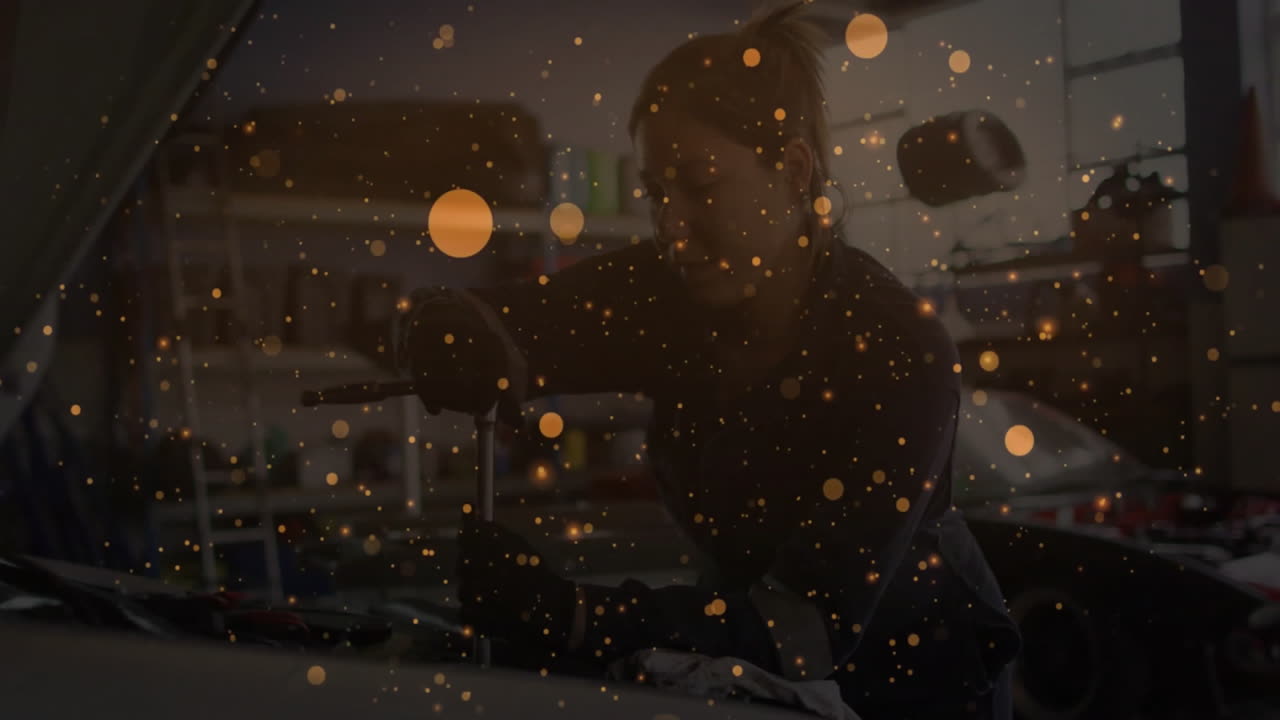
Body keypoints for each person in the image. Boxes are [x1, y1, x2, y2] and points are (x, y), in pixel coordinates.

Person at [398, 2, 1021, 717]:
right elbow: (511, 319)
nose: (671, 227)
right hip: (746, 665)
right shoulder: (672, 292)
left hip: (916, 681)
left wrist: (580, 618)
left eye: (700, 185)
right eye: (657, 193)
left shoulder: (897, 350)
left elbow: (808, 626)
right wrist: (444, 329)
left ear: (792, 171)